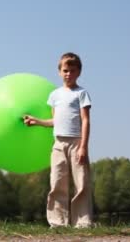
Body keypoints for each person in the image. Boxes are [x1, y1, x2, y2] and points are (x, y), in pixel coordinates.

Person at [23, 52, 93, 228]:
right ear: (59, 72)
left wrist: (83, 146)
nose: (68, 74)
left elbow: (85, 120)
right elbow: (55, 121)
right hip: (58, 144)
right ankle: (58, 222)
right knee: (57, 182)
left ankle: (82, 222)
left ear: (79, 72)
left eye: (72, 71)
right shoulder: (54, 95)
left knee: (81, 183)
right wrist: (37, 121)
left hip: (77, 143)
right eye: (65, 70)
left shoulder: (81, 94)